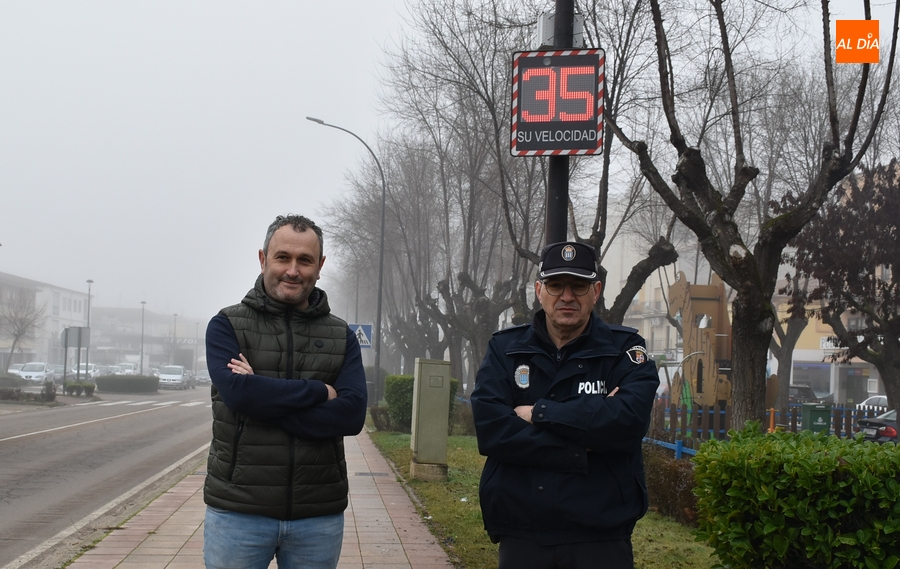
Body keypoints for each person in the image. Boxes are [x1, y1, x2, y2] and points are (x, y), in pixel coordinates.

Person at [471, 241, 659, 569]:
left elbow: (627, 422)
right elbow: (492, 431)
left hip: (601, 537)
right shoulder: (505, 349)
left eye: (579, 285)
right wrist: (580, 445)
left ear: (596, 290)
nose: (567, 296)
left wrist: (541, 413)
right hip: (523, 536)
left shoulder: (625, 349)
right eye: (556, 285)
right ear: (539, 290)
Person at [203, 214, 368, 569]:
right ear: (263, 259)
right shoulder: (226, 325)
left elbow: (352, 415)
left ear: (319, 266)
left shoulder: (342, 337)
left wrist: (263, 398)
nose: (293, 270)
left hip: (318, 514)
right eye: (283, 258)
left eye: (304, 260)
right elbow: (238, 395)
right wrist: (320, 392)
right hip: (238, 512)